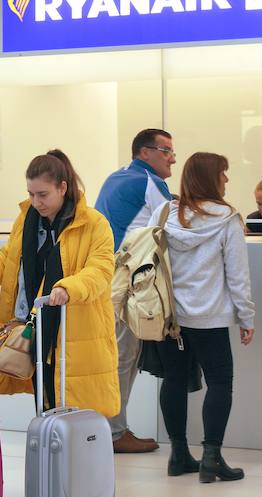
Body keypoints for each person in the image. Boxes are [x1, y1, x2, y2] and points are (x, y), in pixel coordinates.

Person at [0, 149, 119, 419]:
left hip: (74, 330)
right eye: (31, 194)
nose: (36, 202)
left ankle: (73, 459)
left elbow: (100, 271)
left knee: (74, 410)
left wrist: (68, 288)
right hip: (36, 324)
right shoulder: (28, 218)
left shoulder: (93, 224)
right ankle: (49, 459)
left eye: (43, 195)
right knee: (45, 402)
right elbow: (8, 259)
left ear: (63, 187)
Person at [148, 152, 255, 483]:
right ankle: (211, 457)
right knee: (220, 381)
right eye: (223, 173)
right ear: (211, 178)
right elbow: (237, 275)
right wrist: (246, 316)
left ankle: (178, 455)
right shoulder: (227, 219)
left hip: (169, 318)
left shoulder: (164, 213)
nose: (226, 180)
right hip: (209, 318)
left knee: (174, 380)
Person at [95, 128, 177, 453]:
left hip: (104, 274)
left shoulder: (116, 177)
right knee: (124, 354)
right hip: (126, 279)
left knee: (116, 353)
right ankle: (114, 432)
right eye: (166, 150)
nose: (172, 158)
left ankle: (111, 428)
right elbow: (173, 226)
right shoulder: (150, 182)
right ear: (145, 153)